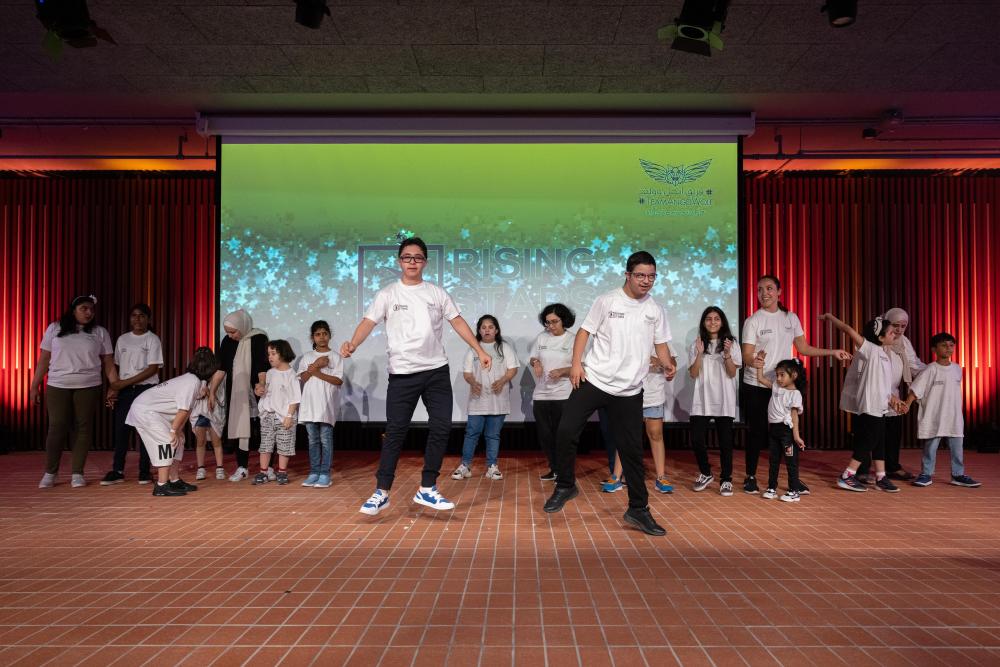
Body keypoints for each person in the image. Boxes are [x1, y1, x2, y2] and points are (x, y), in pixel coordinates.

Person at [341, 237, 492, 516]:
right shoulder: (388, 294)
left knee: (441, 426)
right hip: (402, 373)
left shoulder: (436, 293)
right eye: (407, 257)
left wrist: (478, 348)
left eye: (418, 257)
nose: (412, 262)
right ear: (399, 261)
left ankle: (427, 488)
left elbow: (457, 321)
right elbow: (368, 322)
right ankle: (382, 492)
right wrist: (353, 343)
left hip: (436, 370)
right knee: (396, 432)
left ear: (425, 262)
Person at [542, 251, 676, 537]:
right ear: (627, 275)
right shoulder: (607, 300)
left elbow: (661, 344)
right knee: (566, 430)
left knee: (631, 452)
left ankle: (638, 510)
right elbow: (584, 333)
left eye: (652, 276)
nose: (646, 281)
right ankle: (566, 485)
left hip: (629, 390)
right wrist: (576, 364)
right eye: (641, 275)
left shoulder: (655, 309)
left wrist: (667, 364)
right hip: (595, 379)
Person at [741, 275, 851, 495]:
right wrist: (756, 361)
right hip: (757, 384)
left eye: (770, 288)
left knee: (788, 434)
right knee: (757, 433)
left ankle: (792, 480)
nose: (764, 293)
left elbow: (804, 348)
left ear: (780, 292)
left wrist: (832, 351)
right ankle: (750, 477)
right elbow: (746, 355)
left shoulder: (791, 318)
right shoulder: (753, 321)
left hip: (783, 387)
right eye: (760, 289)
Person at [32, 295, 119, 489]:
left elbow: (108, 362)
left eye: (91, 309)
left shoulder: (99, 332)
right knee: (57, 426)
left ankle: (77, 473)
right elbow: (44, 358)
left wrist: (114, 386)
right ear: (73, 310)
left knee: (83, 427)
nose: (89, 313)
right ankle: (50, 473)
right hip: (58, 384)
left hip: (88, 385)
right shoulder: (54, 328)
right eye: (84, 309)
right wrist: (34, 385)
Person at [819, 313, 906, 492]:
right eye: (890, 332)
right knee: (868, 442)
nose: (894, 334)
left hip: (881, 407)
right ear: (880, 337)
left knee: (880, 442)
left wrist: (892, 400)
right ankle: (847, 475)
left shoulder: (884, 356)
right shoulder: (871, 349)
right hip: (870, 407)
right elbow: (848, 330)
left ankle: (881, 477)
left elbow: (883, 386)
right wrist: (830, 317)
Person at [125, 347, 220, 496]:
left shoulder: (196, 381)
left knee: (179, 440)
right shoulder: (191, 382)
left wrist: (178, 430)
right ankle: (162, 485)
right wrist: (173, 431)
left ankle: (174, 480)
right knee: (167, 441)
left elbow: (187, 410)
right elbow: (183, 410)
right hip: (145, 411)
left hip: (155, 412)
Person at [856, 307, 925, 483]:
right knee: (869, 434)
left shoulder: (904, 342)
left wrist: (932, 371)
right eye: (895, 325)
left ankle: (891, 467)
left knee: (892, 432)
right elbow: (861, 370)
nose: (900, 330)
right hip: (873, 393)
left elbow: (914, 364)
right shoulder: (873, 342)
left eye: (904, 326)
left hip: (893, 393)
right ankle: (862, 469)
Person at [905, 333, 981, 488]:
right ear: (934, 349)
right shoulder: (930, 369)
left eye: (951, 345)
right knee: (931, 446)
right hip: (935, 415)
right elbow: (915, 389)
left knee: (957, 447)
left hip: (953, 416)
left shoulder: (957, 369)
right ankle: (926, 474)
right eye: (944, 345)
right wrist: (906, 404)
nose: (948, 348)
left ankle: (958, 475)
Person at [602, 342, 677, 495]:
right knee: (625, 435)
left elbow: (672, 364)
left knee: (656, 434)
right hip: (629, 392)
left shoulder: (661, 341)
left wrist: (661, 362)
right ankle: (616, 477)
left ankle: (661, 478)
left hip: (653, 394)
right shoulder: (629, 336)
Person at [101, 303, 164, 485]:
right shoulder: (122, 339)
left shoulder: (152, 339)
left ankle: (144, 471)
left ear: (148, 319)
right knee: (122, 429)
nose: (137, 319)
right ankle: (118, 470)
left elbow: (152, 369)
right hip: (126, 390)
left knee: (144, 430)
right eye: (134, 315)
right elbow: (120, 368)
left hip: (146, 389)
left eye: (142, 316)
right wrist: (114, 387)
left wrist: (121, 384)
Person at [453, 315, 520, 481]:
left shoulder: (504, 348)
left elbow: (513, 369)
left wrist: (503, 380)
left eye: (491, 327)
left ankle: (492, 466)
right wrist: (472, 382)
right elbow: (467, 373)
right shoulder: (473, 349)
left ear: (496, 330)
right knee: (471, 433)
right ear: (479, 331)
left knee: (493, 435)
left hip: (498, 399)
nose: (487, 330)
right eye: (483, 327)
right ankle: (465, 466)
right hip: (478, 400)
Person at [208, 309, 268, 482]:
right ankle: (242, 467)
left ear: (243, 326)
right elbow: (222, 368)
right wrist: (212, 391)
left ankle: (267, 467)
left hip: (259, 390)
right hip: (238, 392)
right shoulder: (227, 342)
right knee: (241, 428)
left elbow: (262, 366)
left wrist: (261, 385)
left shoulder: (258, 338)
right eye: (228, 332)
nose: (231, 335)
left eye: (233, 332)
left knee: (266, 428)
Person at [688, 306, 741, 496]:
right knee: (696, 438)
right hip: (701, 399)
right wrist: (700, 354)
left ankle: (726, 479)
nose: (712, 322)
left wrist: (727, 354)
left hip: (724, 398)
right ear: (703, 322)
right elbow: (693, 374)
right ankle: (705, 473)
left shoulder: (731, 343)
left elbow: (732, 372)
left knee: (726, 442)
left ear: (722, 321)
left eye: (716, 319)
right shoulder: (697, 344)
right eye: (708, 319)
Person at [529, 304, 575, 481]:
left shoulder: (572, 339)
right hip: (541, 394)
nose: (551, 326)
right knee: (546, 436)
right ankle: (554, 468)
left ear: (564, 320)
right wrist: (536, 363)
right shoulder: (542, 337)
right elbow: (534, 357)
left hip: (563, 395)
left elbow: (581, 367)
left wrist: (563, 371)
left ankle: (565, 471)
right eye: (547, 323)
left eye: (554, 322)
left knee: (562, 436)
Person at [297, 320, 343, 488]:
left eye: (324, 333)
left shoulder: (336, 357)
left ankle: (325, 474)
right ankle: (314, 472)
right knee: (313, 440)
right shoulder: (307, 357)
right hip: (309, 405)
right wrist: (316, 365)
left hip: (326, 405)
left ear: (329, 335)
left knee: (325, 440)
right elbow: (302, 378)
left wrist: (316, 372)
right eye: (318, 334)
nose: (322, 337)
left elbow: (338, 380)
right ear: (312, 337)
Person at [755, 359, 807, 502]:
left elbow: (795, 417)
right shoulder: (776, 388)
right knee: (773, 461)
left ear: (794, 375)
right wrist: (759, 366)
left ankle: (794, 491)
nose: (778, 378)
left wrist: (796, 437)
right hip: (774, 430)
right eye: (777, 375)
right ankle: (772, 488)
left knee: (791, 462)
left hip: (787, 432)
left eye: (782, 375)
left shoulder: (795, 394)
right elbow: (760, 379)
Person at [252, 340, 301, 486]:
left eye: (273, 353)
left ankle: (282, 472)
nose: (270, 357)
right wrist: (259, 390)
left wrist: (289, 416)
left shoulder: (291, 375)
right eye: (268, 354)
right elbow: (265, 391)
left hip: (284, 416)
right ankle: (263, 471)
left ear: (283, 354)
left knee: (284, 445)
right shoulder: (270, 373)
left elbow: (295, 399)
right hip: (268, 414)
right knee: (265, 444)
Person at [190, 371, 226, 481]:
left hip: (214, 412)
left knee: (216, 441)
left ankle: (219, 468)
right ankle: (201, 468)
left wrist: (210, 392)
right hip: (200, 412)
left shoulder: (218, 374)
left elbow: (220, 394)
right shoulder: (195, 377)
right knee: (200, 442)